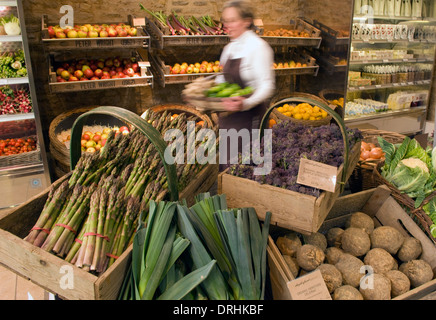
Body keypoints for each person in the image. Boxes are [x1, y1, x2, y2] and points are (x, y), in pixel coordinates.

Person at [216, 0, 276, 170]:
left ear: (247, 21)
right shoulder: (229, 48)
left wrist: (245, 102)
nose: (228, 25)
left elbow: (267, 85)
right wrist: (204, 93)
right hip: (229, 118)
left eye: (233, 20)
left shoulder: (258, 47)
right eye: (225, 21)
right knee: (228, 165)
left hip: (250, 119)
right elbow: (223, 78)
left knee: (246, 167)